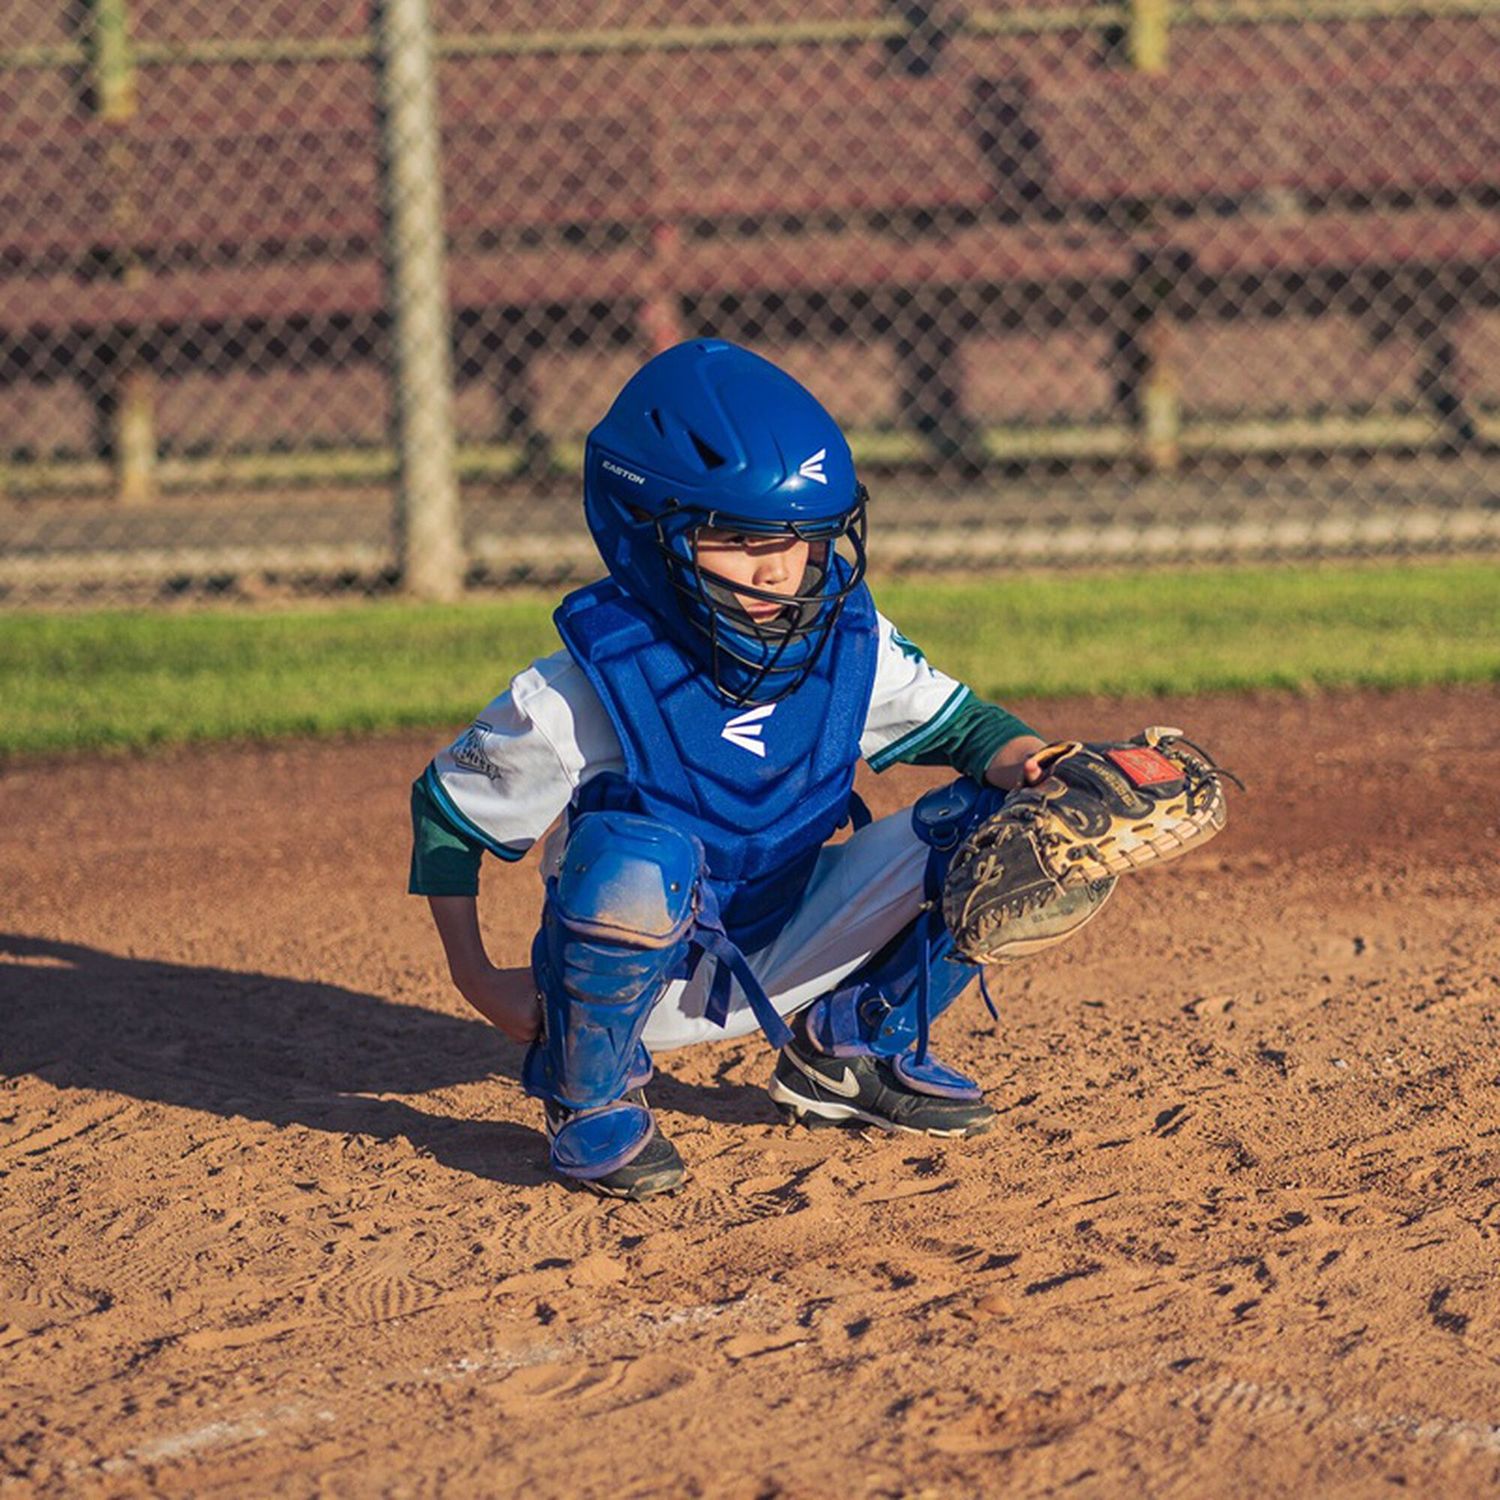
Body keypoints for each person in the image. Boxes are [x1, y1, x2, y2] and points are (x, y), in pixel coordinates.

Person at [409, 338, 1056, 1201]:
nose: (779, 569)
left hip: (795, 928)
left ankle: (856, 1047)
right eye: (742, 538)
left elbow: (972, 730)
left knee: (1021, 826)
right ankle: (586, 1089)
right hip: (630, 984)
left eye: (806, 540)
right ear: (649, 528)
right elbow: (448, 813)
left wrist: (1050, 767)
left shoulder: (847, 646)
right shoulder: (581, 689)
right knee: (640, 857)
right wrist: (477, 978)